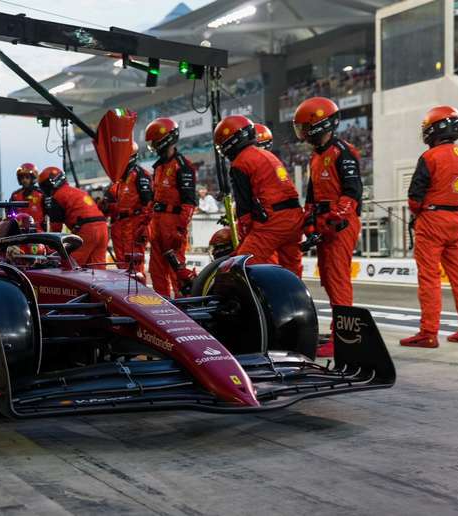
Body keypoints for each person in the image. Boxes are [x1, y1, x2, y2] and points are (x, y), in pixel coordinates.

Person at [293, 97, 363, 357]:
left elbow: (352, 192)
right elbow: (311, 197)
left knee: (338, 280)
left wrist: (336, 218)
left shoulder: (343, 152)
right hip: (326, 222)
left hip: (341, 223)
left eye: (305, 127)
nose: (302, 133)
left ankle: (345, 338)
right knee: (330, 280)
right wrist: (310, 224)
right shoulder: (317, 156)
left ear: (319, 126)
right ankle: (337, 333)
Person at [401, 106, 458, 348]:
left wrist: (417, 213)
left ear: (433, 129)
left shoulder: (429, 157)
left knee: (429, 277)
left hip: (432, 221)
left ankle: (428, 333)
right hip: (456, 219)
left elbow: (414, 198)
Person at [213, 115, 303, 277]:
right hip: (295, 220)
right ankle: (295, 301)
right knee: (292, 274)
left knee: (241, 267)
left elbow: (244, 206)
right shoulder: (268, 155)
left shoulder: (241, 162)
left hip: (273, 223)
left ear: (229, 142)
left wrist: (246, 235)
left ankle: (256, 302)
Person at [144, 117, 197, 297]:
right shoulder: (158, 167)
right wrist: (147, 224)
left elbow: (189, 202)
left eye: (154, 143)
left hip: (173, 223)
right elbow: (153, 199)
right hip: (157, 224)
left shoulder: (183, 166)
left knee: (177, 270)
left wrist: (180, 229)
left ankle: (185, 307)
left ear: (164, 140)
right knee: (156, 270)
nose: (153, 147)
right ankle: (162, 307)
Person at [38, 166, 108, 269]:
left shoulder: (57, 197)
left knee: (72, 266)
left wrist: (50, 249)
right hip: (103, 227)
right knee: (98, 267)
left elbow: (56, 229)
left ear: (49, 185)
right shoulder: (78, 191)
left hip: (86, 230)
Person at [108, 142, 152, 273]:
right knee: (123, 266)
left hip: (135, 226)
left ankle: (139, 292)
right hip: (122, 226)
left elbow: (149, 203)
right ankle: (125, 292)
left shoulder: (140, 174)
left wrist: (143, 227)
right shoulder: (120, 180)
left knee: (135, 267)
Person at [9, 163, 45, 227]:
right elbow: (10, 215)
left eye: (27, 177)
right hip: (20, 233)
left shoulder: (41, 194)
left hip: (39, 233)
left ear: (33, 178)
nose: (24, 180)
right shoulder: (15, 195)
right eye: (22, 178)